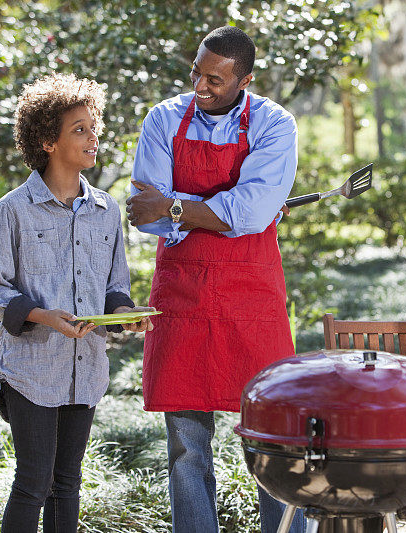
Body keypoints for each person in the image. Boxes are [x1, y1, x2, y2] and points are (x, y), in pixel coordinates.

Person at [126, 26, 304, 533]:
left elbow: (250, 211)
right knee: (186, 444)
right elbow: (148, 214)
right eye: (197, 74)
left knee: (274, 433)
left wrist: (179, 205)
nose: (201, 87)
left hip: (253, 296)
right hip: (180, 296)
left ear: (244, 79)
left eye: (216, 80)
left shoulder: (274, 124)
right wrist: (215, 212)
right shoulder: (163, 119)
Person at [0, 73, 154, 533]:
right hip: (31, 371)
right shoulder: (13, 209)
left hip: (85, 367)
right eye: (80, 129)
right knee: (33, 482)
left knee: (68, 483)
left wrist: (122, 316)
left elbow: (114, 288)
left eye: (94, 127)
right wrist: (42, 316)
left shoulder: (107, 210)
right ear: (46, 141)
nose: (94, 138)